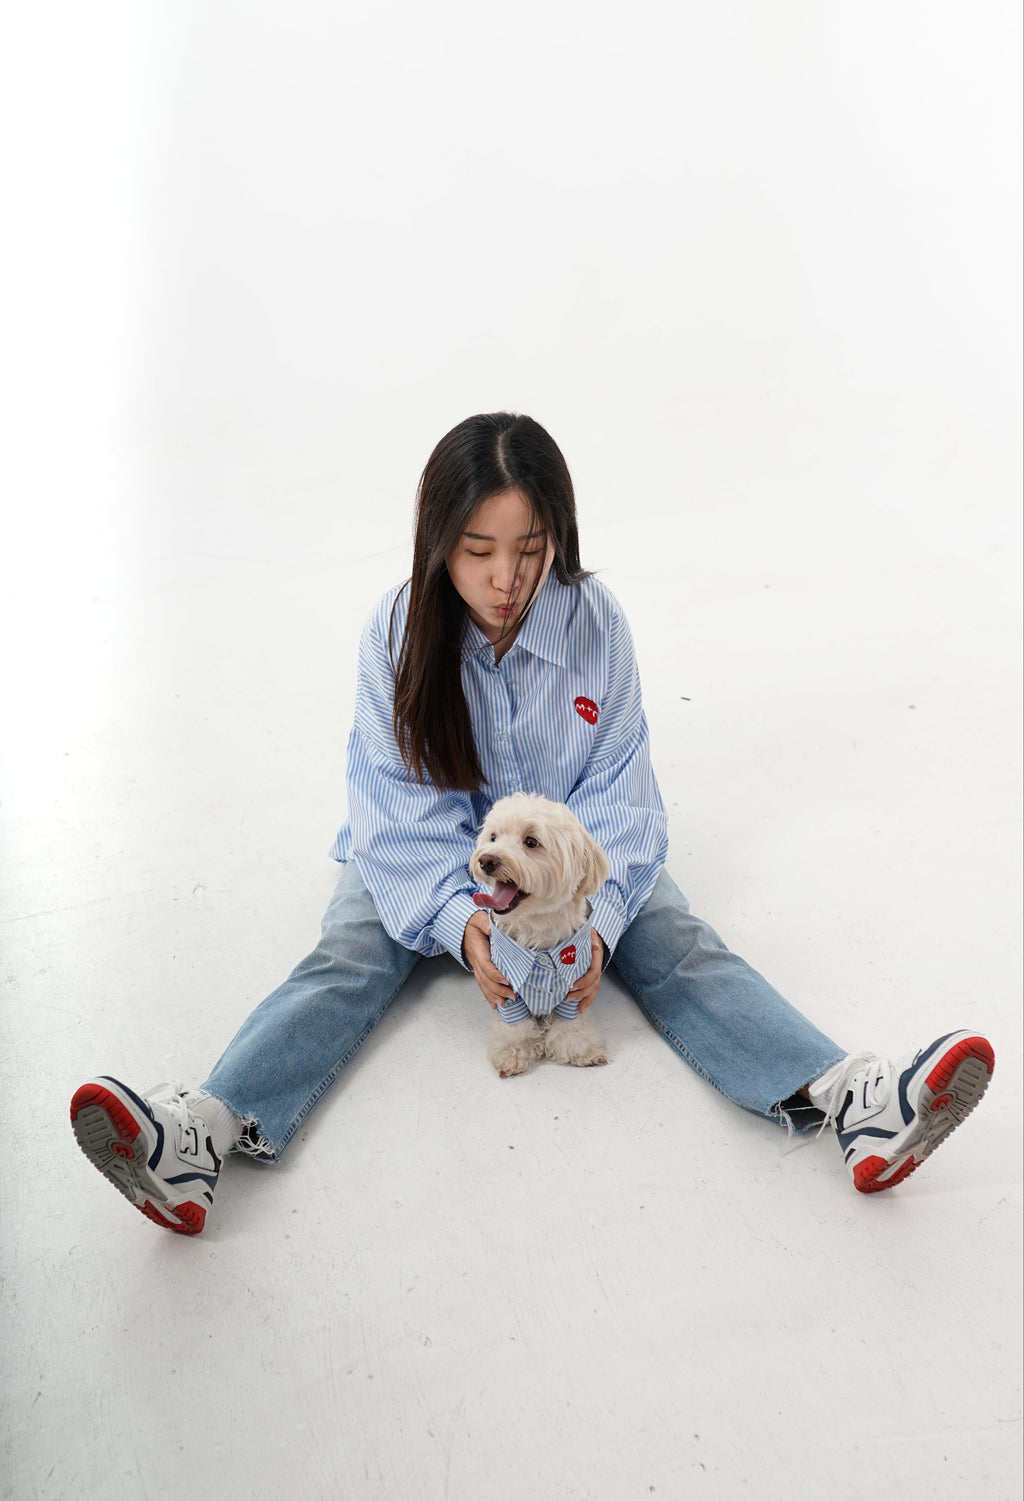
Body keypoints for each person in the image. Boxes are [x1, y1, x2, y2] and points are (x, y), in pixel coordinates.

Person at [69, 412, 995, 1234]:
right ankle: (198, 1133)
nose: (506, 577)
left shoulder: (600, 625)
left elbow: (623, 800)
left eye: (531, 545)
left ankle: (852, 1098)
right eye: (478, 548)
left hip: (569, 869)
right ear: (439, 540)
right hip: (427, 859)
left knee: (676, 941)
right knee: (348, 956)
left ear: (561, 535)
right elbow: (393, 815)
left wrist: (593, 918)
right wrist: (463, 923)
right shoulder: (393, 634)